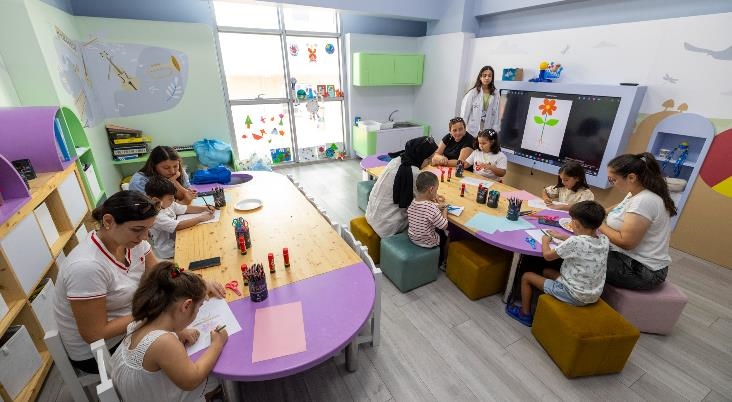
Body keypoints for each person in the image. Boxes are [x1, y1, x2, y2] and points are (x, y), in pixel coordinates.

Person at [54, 191, 225, 373]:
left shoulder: (130, 242)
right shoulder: (86, 267)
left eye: (148, 229)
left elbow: (161, 274)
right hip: (100, 351)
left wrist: (196, 282)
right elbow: (95, 334)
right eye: (137, 230)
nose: (144, 237)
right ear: (108, 221)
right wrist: (160, 318)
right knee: (181, 347)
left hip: (129, 322)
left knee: (185, 310)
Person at [111, 262, 227, 402]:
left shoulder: (144, 319)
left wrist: (179, 332)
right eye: (199, 307)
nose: (198, 312)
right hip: (156, 396)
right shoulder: (164, 342)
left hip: (138, 393)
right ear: (186, 306)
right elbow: (193, 379)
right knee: (220, 378)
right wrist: (217, 344)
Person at [507, 201, 609, 327]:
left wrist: (545, 241)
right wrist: (560, 236)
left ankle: (525, 314)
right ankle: (542, 297)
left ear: (576, 224)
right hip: (592, 294)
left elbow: (548, 256)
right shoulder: (604, 239)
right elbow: (584, 242)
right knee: (547, 272)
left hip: (573, 295)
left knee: (526, 277)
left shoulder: (575, 242)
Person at [599, 153, 676, 290]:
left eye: (613, 180)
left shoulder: (644, 201)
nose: (612, 184)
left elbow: (626, 242)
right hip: (629, 258)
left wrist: (597, 223)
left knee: (576, 254)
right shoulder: (635, 193)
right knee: (577, 244)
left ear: (631, 177)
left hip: (643, 270)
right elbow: (617, 208)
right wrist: (594, 212)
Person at [366, 136, 438, 238]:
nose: (430, 162)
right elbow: (422, 202)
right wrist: (432, 195)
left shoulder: (398, 159)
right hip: (387, 226)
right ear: (419, 156)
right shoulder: (413, 172)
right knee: (431, 221)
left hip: (372, 216)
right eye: (428, 159)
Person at [145, 176, 215, 259]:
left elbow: (186, 208)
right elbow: (178, 226)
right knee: (202, 248)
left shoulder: (167, 204)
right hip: (169, 250)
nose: (173, 200)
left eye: (173, 197)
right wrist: (201, 218)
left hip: (177, 239)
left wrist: (204, 208)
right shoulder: (156, 217)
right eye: (170, 198)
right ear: (156, 200)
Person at [407, 172, 449, 268]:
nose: (436, 192)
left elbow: (425, 210)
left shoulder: (414, 201)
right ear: (431, 189)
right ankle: (442, 262)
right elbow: (444, 225)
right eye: (436, 190)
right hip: (426, 242)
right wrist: (445, 210)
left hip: (413, 237)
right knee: (446, 235)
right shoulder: (431, 207)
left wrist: (437, 207)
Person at [129, 146, 196, 205]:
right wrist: (170, 183)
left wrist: (174, 182)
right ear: (153, 166)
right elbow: (150, 208)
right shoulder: (139, 181)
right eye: (166, 168)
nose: (172, 171)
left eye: (175, 166)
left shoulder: (179, 171)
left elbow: (188, 196)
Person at [460, 66, 500, 135]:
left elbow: (496, 113)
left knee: (484, 140)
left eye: (489, 76)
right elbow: (465, 112)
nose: (487, 78)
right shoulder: (473, 93)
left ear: (492, 78)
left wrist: (495, 129)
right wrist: (462, 128)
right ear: (480, 77)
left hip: (488, 126)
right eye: (484, 75)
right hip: (473, 127)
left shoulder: (495, 93)